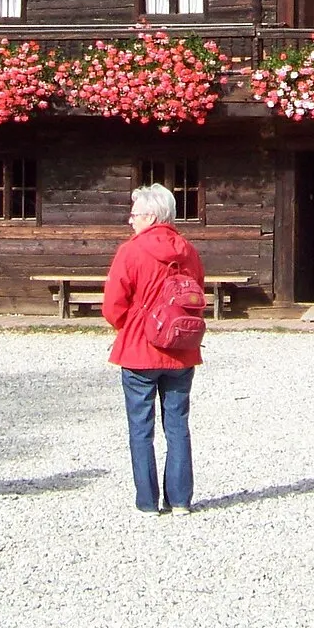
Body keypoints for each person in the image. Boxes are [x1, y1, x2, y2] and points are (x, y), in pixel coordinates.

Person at [102, 182, 205, 515]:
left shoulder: (130, 251)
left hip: (139, 350)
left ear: (150, 215)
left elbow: (112, 305)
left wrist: (128, 327)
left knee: (140, 428)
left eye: (133, 215)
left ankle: (147, 503)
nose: (130, 221)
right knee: (177, 426)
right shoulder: (188, 251)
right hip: (180, 349)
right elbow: (196, 295)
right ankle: (180, 501)